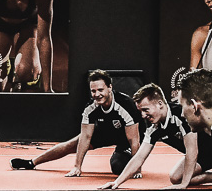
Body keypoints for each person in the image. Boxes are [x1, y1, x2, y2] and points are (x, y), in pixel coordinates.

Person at [10, 69, 140, 177]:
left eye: (100, 90)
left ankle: (127, 161)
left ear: (110, 88)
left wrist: (137, 169)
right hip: (106, 131)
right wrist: (77, 167)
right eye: (93, 91)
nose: (97, 94)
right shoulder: (90, 108)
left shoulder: (125, 105)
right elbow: (85, 137)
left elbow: (133, 140)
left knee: (117, 167)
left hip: (125, 137)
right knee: (71, 144)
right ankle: (31, 163)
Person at [102, 83, 209, 190]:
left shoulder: (181, 115)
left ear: (160, 103)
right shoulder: (153, 128)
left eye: (145, 110)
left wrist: (184, 185)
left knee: (181, 179)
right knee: (175, 178)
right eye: (141, 111)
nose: (143, 115)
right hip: (200, 156)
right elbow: (139, 157)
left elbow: (192, 151)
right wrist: (117, 182)